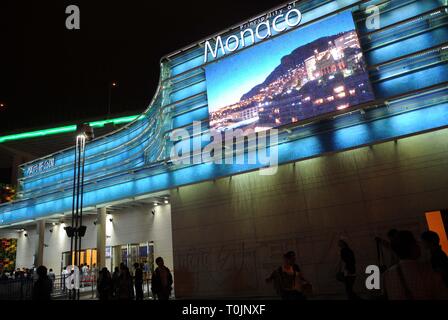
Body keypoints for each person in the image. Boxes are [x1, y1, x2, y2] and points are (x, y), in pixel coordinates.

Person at [384, 230, 448, 299]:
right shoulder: (428, 271)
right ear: (413, 247)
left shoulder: (387, 275)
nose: (420, 245)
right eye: (417, 243)